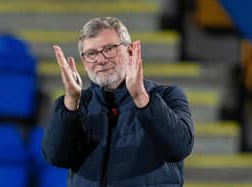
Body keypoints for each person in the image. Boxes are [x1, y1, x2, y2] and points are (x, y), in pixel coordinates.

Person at [42, 16, 194, 187]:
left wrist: (141, 98)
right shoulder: (76, 105)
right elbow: (56, 157)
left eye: (109, 49)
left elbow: (179, 148)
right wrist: (70, 103)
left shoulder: (167, 96)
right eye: (91, 54)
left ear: (130, 51)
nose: (101, 59)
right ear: (84, 62)